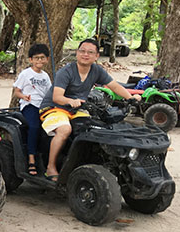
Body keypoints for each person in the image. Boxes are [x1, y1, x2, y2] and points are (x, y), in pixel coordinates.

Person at [39, 38, 141, 181]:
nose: (85, 54)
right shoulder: (66, 71)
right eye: (82, 51)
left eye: (90, 52)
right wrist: (70, 101)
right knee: (64, 130)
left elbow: (114, 86)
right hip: (54, 108)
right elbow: (57, 97)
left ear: (96, 56)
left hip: (77, 109)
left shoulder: (97, 70)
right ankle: (50, 168)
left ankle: (84, 163)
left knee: (94, 129)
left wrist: (130, 98)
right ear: (77, 52)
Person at [13, 44, 52, 176]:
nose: (39, 61)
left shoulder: (46, 76)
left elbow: (49, 93)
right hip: (29, 106)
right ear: (31, 60)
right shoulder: (25, 74)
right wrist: (24, 96)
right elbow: (16, 92)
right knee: (34, 127)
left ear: (47, 59)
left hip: (43, 106)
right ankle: (31, 158)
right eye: (36, 58)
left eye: (42, 58)